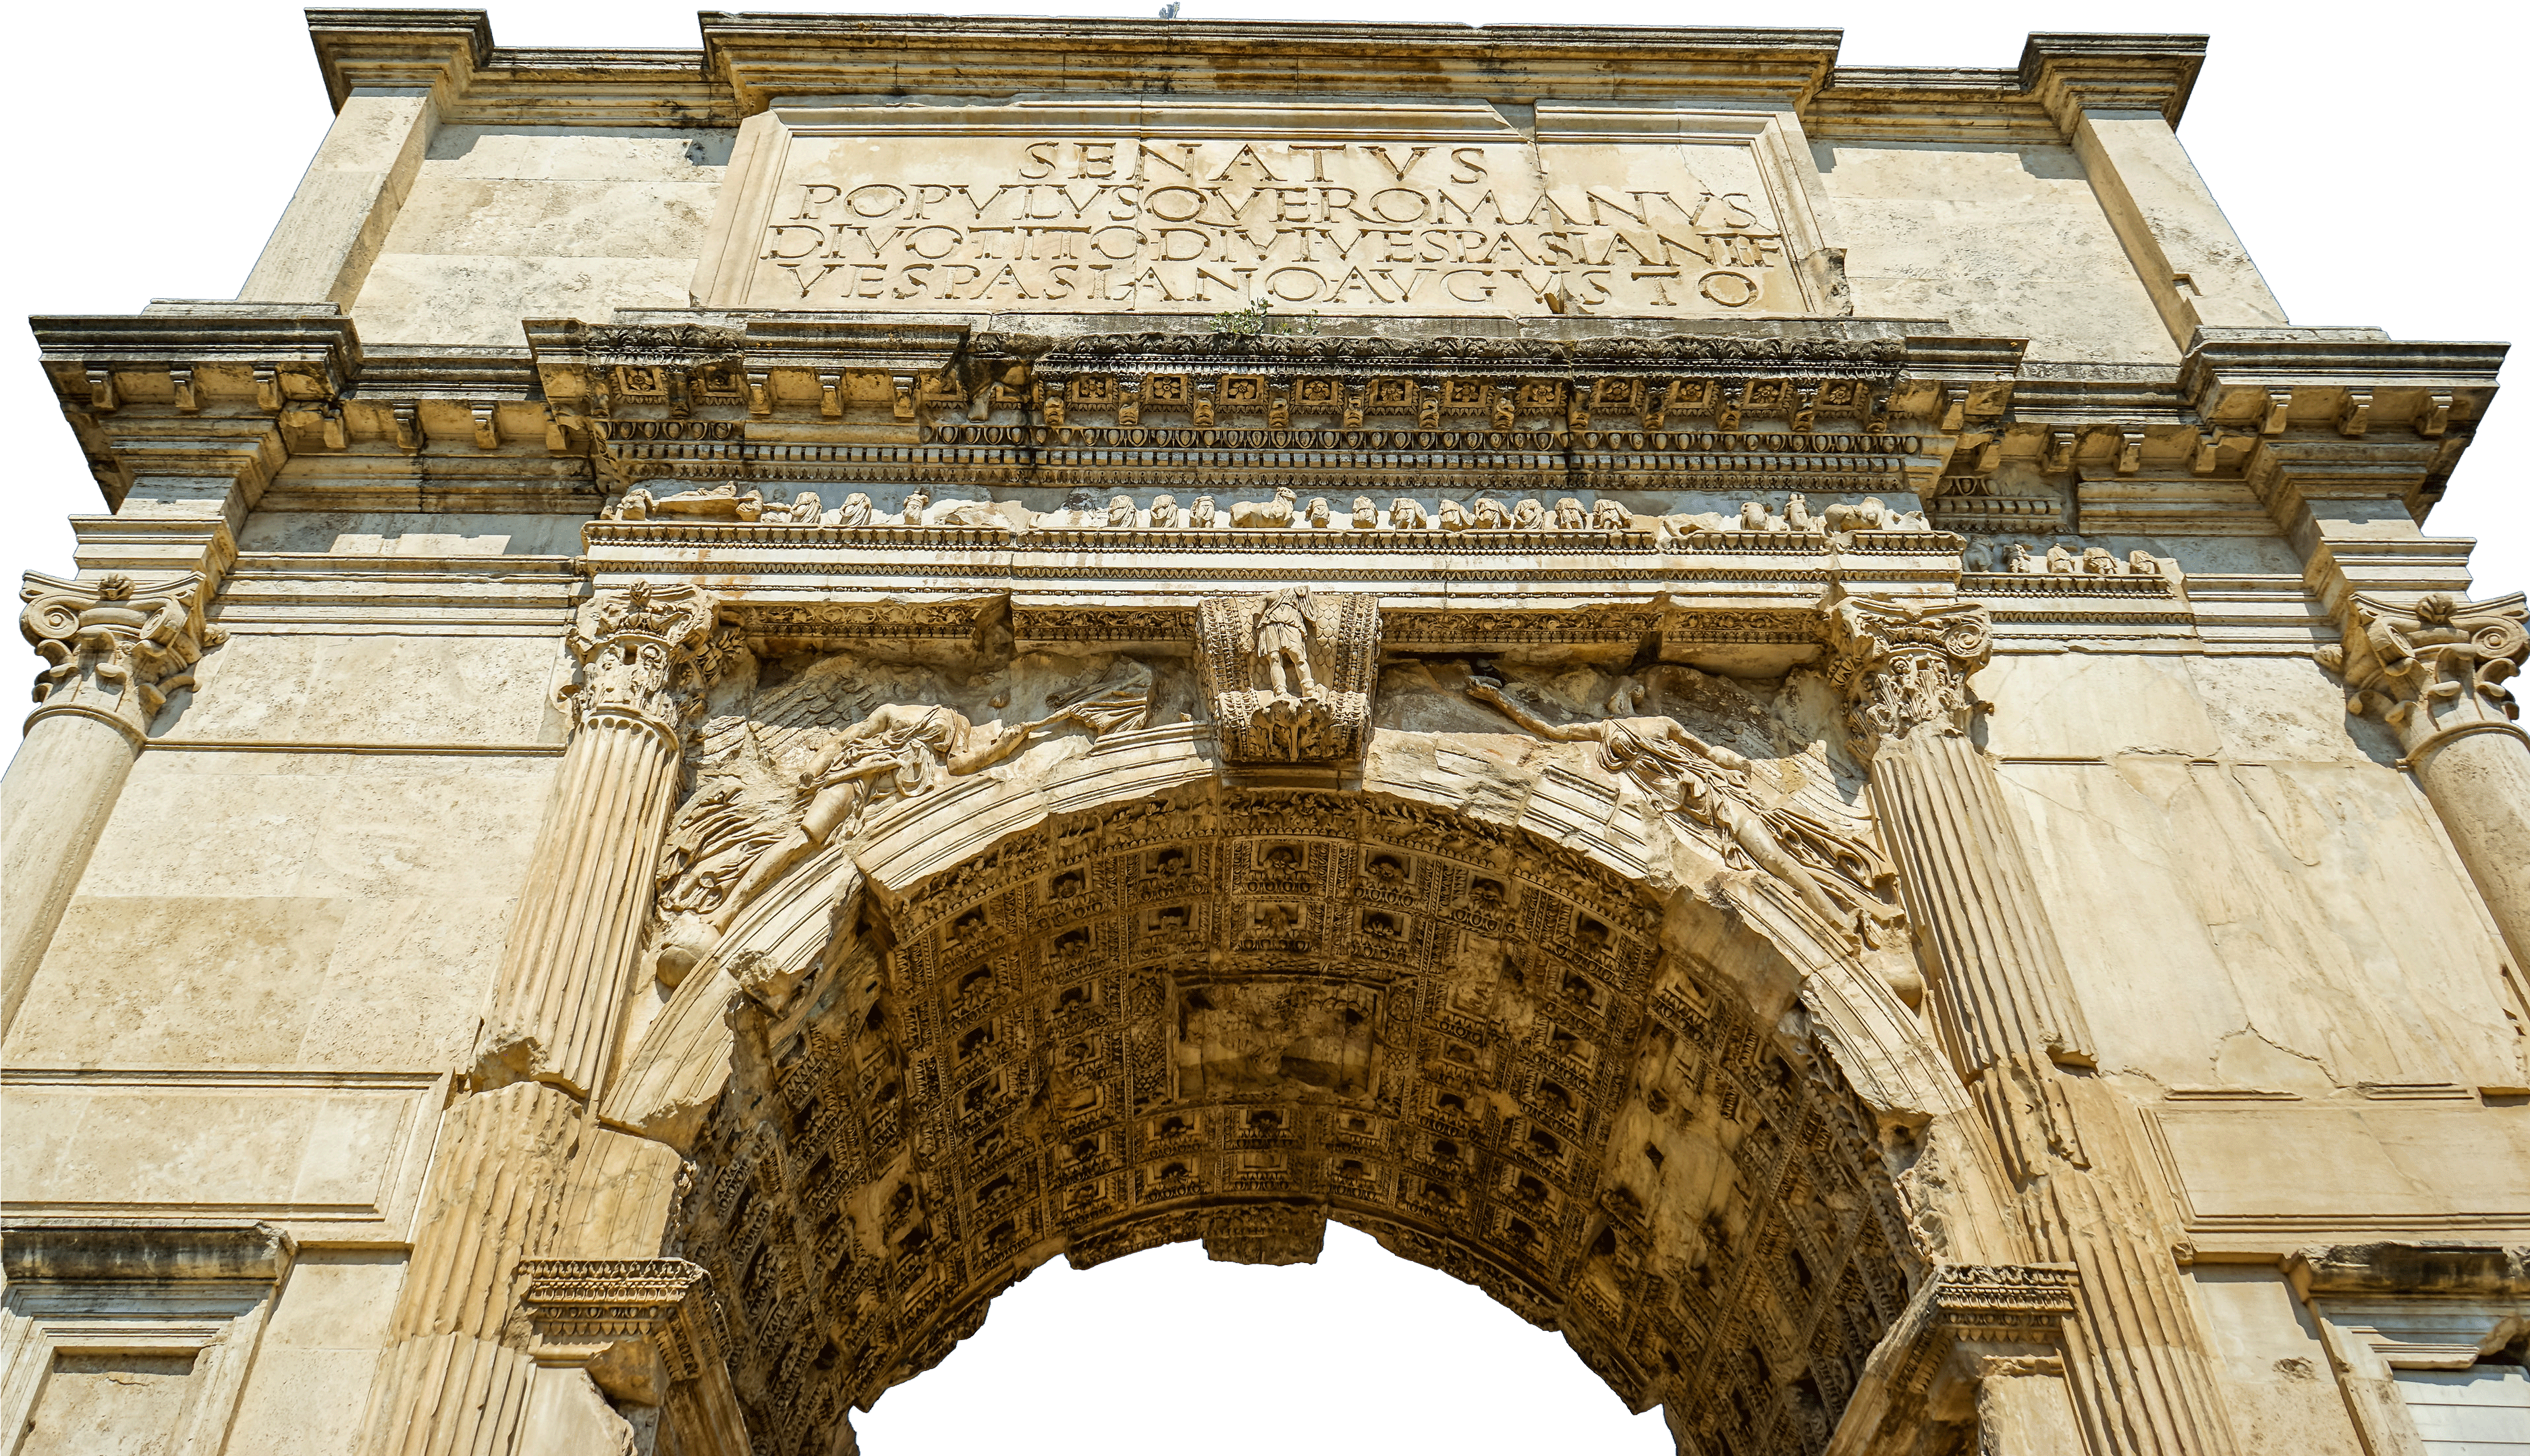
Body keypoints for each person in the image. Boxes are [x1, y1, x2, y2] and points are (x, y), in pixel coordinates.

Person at [1463, 679, 1894, 945]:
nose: (1620, 696)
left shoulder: (1662, 724)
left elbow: (1706, 752)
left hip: (1709, 793)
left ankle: (1837, 918)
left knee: (1777, 859)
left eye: (1626, 690)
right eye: (1619, 690)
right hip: (1670, 807)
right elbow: (1549, 730)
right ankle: (1836, 917)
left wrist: (1735, 763)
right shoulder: (1602, 730)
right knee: (1772, 863)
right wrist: (1498, 698)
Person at [708, 700, 1076, 930]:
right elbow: (848, 738)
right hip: (860, 774)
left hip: (906, 792)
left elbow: (960, 764)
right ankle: (730, 907)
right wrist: (815, 767)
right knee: (805, 837)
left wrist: (999, 749)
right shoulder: (890, 711)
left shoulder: (957, 720)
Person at [1253, 586, 1319, 699]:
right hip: (1271, 624)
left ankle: (1308, 689)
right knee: (1274, 658)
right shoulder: (1266, 596)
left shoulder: (1297, 589)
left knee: (1298, 655)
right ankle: (1280, 691)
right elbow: (1257, 614)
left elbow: (1305, 596)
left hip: (1291, 622)